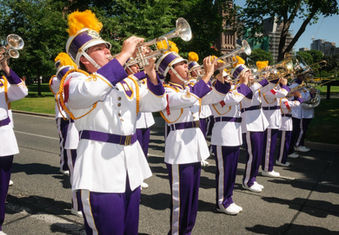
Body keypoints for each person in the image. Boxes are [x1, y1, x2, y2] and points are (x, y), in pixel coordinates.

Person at [60, 10, 167, 234]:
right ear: (83, 58)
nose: (108, 50)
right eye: (99, 48)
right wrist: (126, 53)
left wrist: (150, 72)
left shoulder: (123, 82)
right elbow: (94, 88)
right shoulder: (74, 80)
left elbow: (157, 104)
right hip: (99, 171)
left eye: (106, 46)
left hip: (131, 168)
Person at [158, 51, 230, 234]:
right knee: (180, 200)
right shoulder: (165, 90)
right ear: (171, 70)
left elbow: (216, 97)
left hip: (194, 146)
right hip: (179, 147)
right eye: (182, 64)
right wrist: (206, 74)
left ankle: (187, 231)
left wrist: (220, 75)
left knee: (192, 197)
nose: (186, 67)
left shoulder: (187, 88)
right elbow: (189, 98)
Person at [210, 70, 251, 215]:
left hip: (234, 134)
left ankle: (229, 199)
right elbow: (232, 99)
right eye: (226, 77)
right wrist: (243, 84)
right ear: (218, 79)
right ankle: (221, 202)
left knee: (231, 171)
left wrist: (246, 84)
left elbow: (248, 98)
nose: (230, 80)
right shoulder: (215, 92)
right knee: (224, 172)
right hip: (223, 134)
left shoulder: (232, 91)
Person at [232, 63, 275, 193]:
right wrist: (265, 77)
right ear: (240, 76)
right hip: (250, 123)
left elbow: (271, 86)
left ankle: (253, 178)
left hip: (259, 121)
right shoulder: (240, 87)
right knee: (253, 154)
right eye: (247, 72)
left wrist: (274, 75)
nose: (251, 74)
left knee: (259, 153)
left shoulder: (255, 86)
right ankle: (248, 181)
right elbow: (250, 95)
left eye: (250, 71)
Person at [50, 52, 82, 216]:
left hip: (88, 133)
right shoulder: (61, 79)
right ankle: (77, 205)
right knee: (77, 173)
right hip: (74, 130)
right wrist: (66, 66)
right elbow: (60, 81)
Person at [0, 59, 28, 235]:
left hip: (3, 139)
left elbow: (22, 91)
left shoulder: (3, 82)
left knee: (2, 187)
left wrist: (6, 68)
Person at [125, 62, 155, 189]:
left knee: (144, 150)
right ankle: (134, 178)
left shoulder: (141, 82)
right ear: (126, 67)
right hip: (135, 122)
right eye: (134, 65)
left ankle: (141, 175)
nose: (137, 67)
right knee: (135, 152)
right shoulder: (126, 81)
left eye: (138, 65)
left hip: (146, 119)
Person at [258, 61, 290, 178]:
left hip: (274, 116)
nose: (275, 76)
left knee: (270, 145)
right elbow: (282, 94)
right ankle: (267, 168)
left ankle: (268, 166)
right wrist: (284, 84)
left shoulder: (272, 86)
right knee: (269, 145)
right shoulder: (266, 88)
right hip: (269, 118)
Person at [276, 90, 303, 166]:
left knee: (286, 143)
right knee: (284, 144)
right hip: (284, 123)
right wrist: (299, 97)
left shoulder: (284, 99)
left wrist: (293, 96)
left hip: (287, 122)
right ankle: (281, 160)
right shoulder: (282, 100)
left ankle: (282, 159)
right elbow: (295, 104)